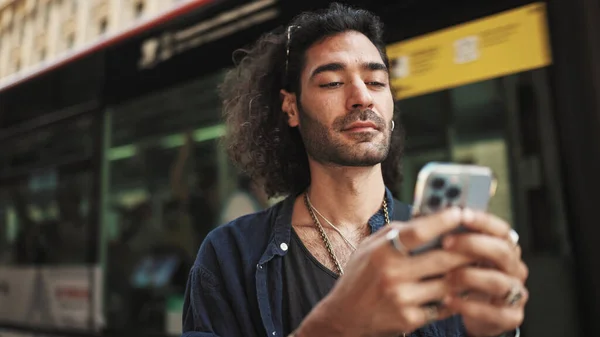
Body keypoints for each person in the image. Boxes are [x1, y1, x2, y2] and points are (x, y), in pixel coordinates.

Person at [181, 3, 528, 337]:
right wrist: (333, 328)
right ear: (291, 108)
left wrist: (498, 328)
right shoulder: (230, 254)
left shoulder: (443, 245)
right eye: (332, 82)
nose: (362, 97)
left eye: (376, 82)